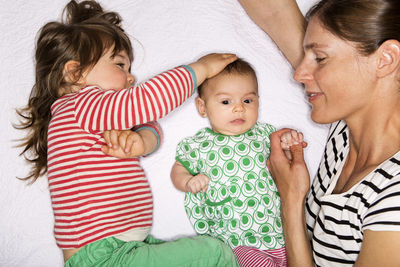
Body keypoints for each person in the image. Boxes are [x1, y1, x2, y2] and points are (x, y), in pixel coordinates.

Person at [15, 0, 240, 266]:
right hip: (106, 256)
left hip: (123, 249)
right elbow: (147, 102)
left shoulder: (91, 116)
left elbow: (149, 121)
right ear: (76, 73)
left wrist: (142, 141)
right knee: (214, 254)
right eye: (120, 65)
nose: (131, 77)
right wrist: (199, 69)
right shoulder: (79, 105)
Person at [239, 0, 400, 266]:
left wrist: (291, 199)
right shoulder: (346, 127)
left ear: (385, 60)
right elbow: (274, 11)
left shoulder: (394, 202)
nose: (299, 73)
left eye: (320, 59)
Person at [171, 59, 304, 267]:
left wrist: (287, 140)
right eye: (226, 102)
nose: (239, 109)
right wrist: (188, 181)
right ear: (202, 107)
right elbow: (178, 170)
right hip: (238, 241)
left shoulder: (265, 134)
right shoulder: (198, 146)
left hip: (282, 233)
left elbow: (284, 153)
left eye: (248, 101)